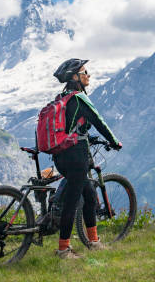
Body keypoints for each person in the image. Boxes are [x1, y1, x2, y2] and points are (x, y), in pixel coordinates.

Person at [51, 58, 122, 259]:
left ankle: (94, 241)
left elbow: (70, 127)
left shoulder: (61, 97)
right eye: (85, 72)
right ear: (75, 77)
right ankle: (64, 250)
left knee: (89, 195)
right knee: (72, 202)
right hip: (76, 156)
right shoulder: (79, 98)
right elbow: (98, 121)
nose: (88, 75)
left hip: (61, 155)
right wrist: (114, 141)